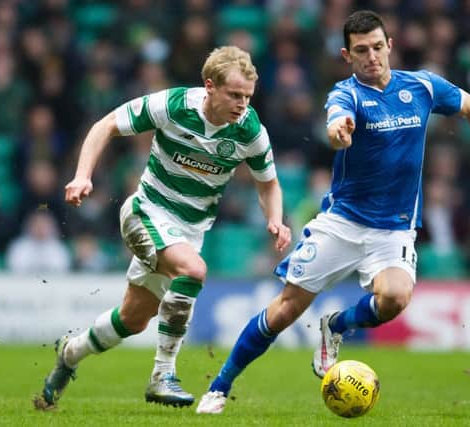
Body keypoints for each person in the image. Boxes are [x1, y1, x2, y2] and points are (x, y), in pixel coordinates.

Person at [196, 10, 470, 414]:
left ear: (390, 46)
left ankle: (336, 326)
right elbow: (335, 121)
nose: (371, 57)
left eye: (377, 47)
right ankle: (219, 386)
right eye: (361, 50)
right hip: (341, 224)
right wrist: (338, 131)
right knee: (285, 310)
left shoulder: (422, 86)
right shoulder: (347, 94)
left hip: (393, 231)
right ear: (348, 55)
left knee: (395, 297)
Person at [33, 46, 291, 410]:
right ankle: (162, 375)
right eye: (234, 95)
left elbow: (269, 183)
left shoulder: (250, 131)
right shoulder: (173, 106)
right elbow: (105, 125)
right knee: (194, 271)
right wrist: (82, 176)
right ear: (210, 87)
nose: (241, 105)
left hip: (189, 233)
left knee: (131, 321)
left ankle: (70, 354)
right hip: (145, 212)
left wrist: (275, 218)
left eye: (247, 97)